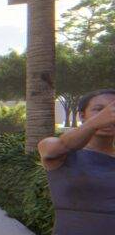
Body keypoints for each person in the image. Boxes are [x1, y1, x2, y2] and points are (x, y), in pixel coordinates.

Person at [38, 88, 115, 234]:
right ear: (81, 115)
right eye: (99, 110)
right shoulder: (57, 148)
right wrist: (95, 124)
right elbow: (60, 147)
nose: (108, 117)